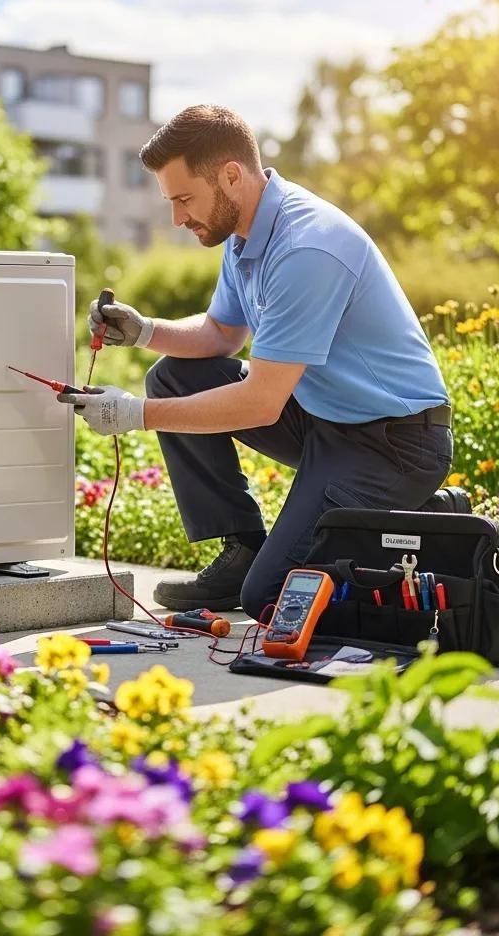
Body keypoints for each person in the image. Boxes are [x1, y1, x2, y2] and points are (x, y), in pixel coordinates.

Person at [59, 104, 453, 622]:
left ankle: (427, 519)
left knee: (271, 600)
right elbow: (223, 334)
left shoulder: (306, 246)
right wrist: (145, 331)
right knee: (173, 377)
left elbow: (261, 402)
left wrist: (134, 414)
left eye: (183, 199)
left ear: (230, 176)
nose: (177, 218)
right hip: (325, 421)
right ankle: (242, 549)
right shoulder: (243, 235)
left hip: (394, 444)